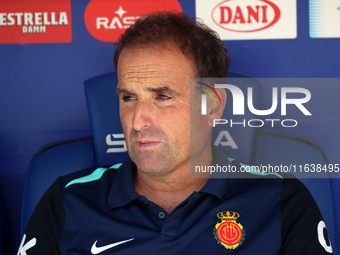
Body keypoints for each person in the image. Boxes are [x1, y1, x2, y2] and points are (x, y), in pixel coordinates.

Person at [18, 12, 333, 255]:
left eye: (162, 97)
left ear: (212, 106)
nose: (138, 121)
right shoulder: (68, 199)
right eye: (128, 97)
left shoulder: (281, 200)